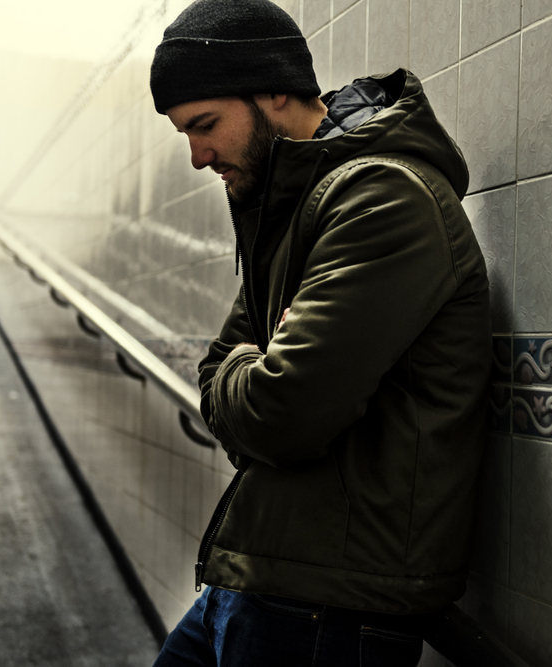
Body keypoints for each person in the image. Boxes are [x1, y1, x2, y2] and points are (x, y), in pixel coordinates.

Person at [148, 1, 492, 665]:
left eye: (206, 124)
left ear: (275, 90)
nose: (196, 157)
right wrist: (248, 364)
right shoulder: (297, 202)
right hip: (263, 578)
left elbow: (281, 411)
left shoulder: (382, 201)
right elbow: (220, 364)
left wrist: (249, 369)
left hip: (326, 607)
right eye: (183, 133)